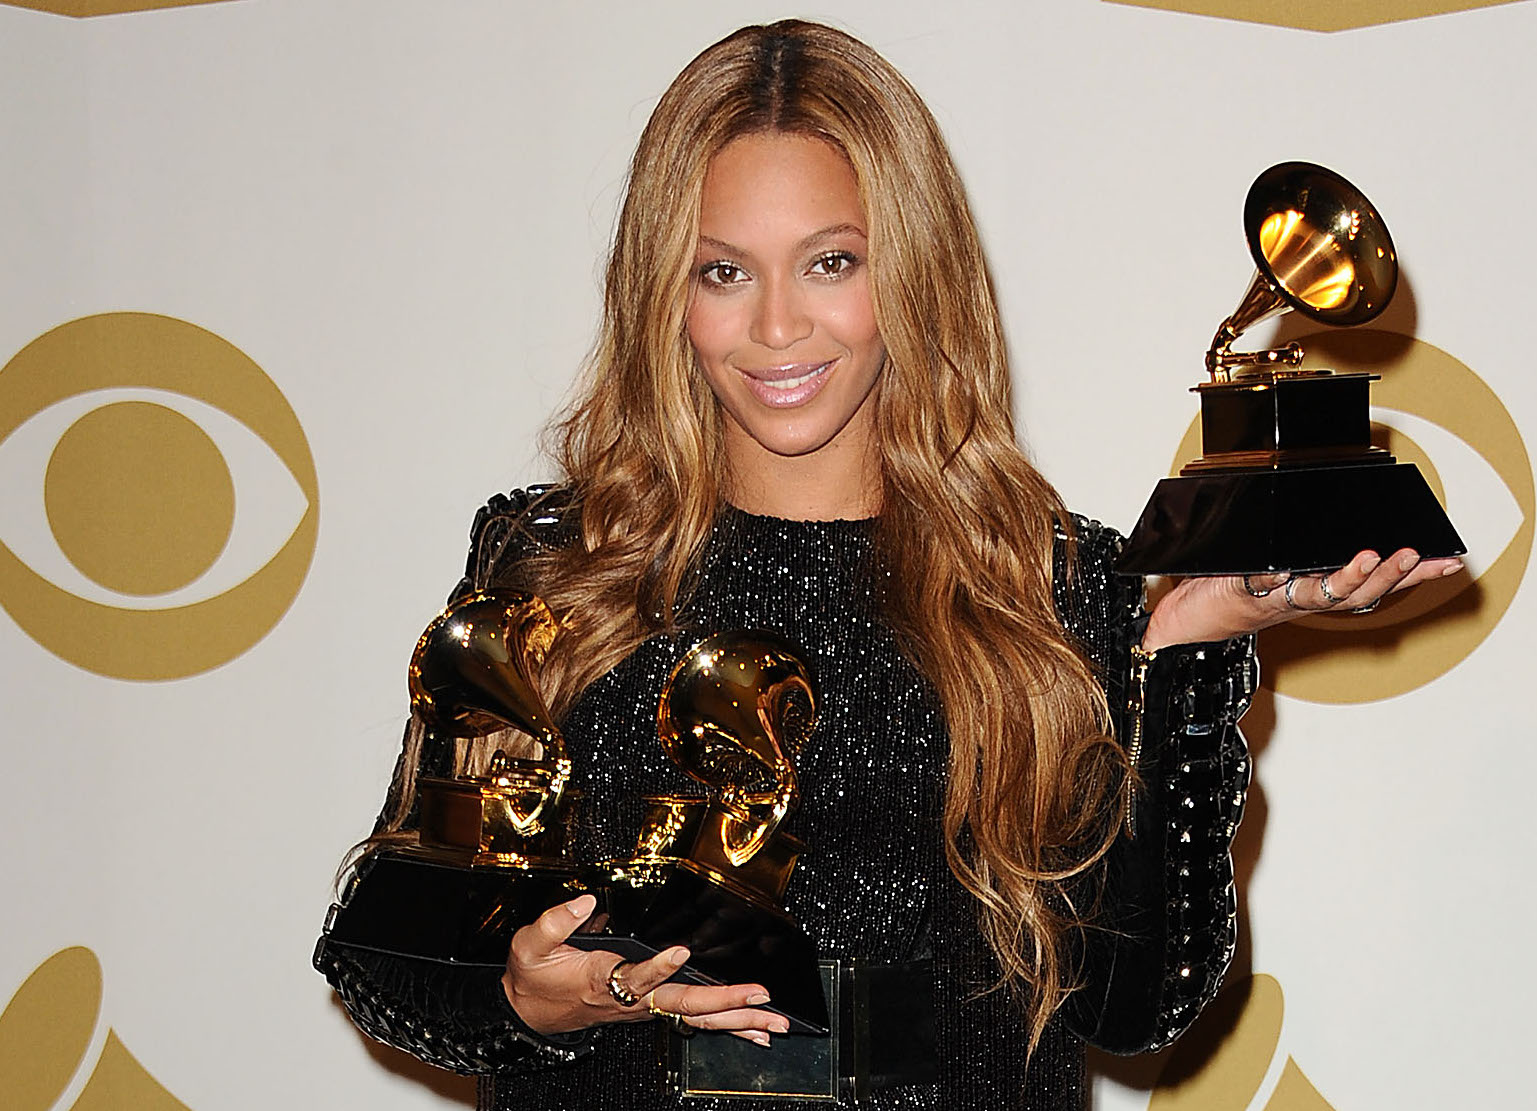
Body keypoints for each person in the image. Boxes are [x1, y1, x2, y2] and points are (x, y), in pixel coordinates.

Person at [314, 19, 1462, 1111]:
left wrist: (1185, 661)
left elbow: (1134, 1001)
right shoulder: (558, 566)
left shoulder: (1050, 588)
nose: (775, 328)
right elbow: (386, 949)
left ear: (910, 269)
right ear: (663, 290)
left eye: (829, 261)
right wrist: (525, 995)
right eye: (723, 272)